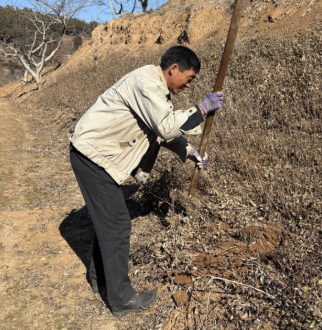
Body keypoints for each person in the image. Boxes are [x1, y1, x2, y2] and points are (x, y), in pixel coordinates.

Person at [69, 45, 224, 317]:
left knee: (110, 222)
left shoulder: (155, 88)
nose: (189, 85)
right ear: (173, 69)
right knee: (117, 224)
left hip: (98, 155)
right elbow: (165, 126)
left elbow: (163, 132)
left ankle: (99, 280)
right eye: (189, 79)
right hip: (93, 155)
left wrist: (189, 152)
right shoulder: (146, 83)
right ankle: (122, 299)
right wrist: (201, 109)